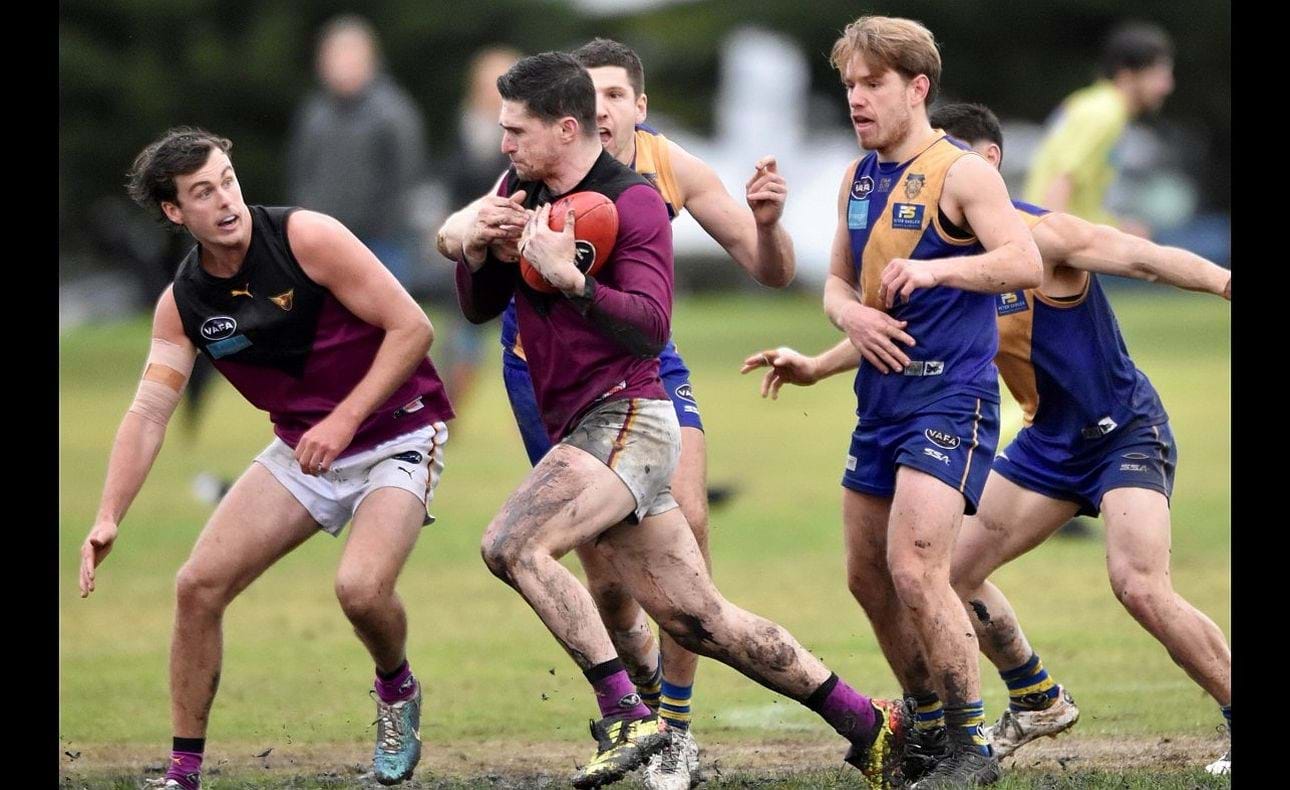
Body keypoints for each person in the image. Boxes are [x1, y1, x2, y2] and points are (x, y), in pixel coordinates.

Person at [452, 51, 905, 790]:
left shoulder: (632, 201)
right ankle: (869, 724)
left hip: (629, 418)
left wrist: (571, 279)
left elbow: (652, 326)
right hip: (584, 423)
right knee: (704, 622)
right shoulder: (523, 189)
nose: (503, 144)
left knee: (513, 545)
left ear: (565, 130)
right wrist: (477, 249)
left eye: (515, 131)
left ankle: (629, 718)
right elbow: (478, 305)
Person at [743, 101, 1232, 779]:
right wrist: (818, 365)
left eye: (946, 166)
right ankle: (1037, 697)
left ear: (987, 166)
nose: (932, 181)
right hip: (1045, 445)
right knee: (951, 574)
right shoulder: (944, 252)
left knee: (1139, 586)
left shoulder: (1043, 237)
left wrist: (1226, 281)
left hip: (1123, 432)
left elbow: (1145, 260)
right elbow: (903, 333)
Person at [77, 128, 454, 789]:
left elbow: (413, 328)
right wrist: (108, 514)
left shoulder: (306, 237)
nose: (224, 200)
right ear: (174, 213)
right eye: (202, 192)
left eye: (227, 180)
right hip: (302, 451)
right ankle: (183, 773)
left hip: (399, 434)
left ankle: (396, 690)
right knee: (197, 587)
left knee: (360, 590)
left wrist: (343, 421)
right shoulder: (184, 304)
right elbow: (147, 414)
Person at [810, 15, 1045, 788]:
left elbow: (1025, 260)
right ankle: (929, 722)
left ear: (917, 87)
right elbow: (837, 285)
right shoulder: (856, 177)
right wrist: (851, 316)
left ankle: (971, 749)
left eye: (872, 83)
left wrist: (941, 272)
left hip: (951, 398)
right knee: (866, 578)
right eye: (849, 84)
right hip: (878, 402)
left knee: (915, 568)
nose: (857, 99)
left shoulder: (963, 173)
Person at [286, 14, 427, 288]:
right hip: (323, 241)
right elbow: (300, 172)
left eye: (348, 55)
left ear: (370, 59)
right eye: (333, 56)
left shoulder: (394, 111)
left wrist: (382, 227)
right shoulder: (313, 113)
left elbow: (406, 176)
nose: (340, 64)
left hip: (381, 244)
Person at [1023, 21, 1175, 238]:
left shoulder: (1091, 103)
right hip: (1053, 243)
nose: (1167, 86)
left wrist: (1118, 228)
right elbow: (1061, 182)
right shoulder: (1104, 114)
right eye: (1159, 75)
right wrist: (1051, 252)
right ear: (1127, 74)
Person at [437, 46, 522, 409]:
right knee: (462, 342)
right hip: (474, 246)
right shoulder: (464, 128)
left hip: (516, 249)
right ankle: (446, 408)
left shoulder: (530, 130)